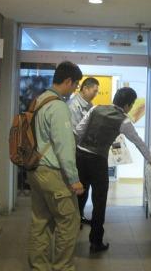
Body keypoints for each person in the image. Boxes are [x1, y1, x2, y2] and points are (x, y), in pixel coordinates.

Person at [75, 87, 151, 253]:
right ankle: (95, 242)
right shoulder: (124, 121)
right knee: (99, 202)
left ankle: (69, 238)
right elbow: (139, 142)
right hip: (98, 161)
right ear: (128, 105)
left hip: (80, 157)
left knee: (78, 197)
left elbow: (78, 131)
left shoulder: (95, 108)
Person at [27, 61, 84, 271]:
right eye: (75, 85)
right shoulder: (58, 106)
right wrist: (74, 179)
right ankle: (62, 267)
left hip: (35, 171)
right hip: (53, 173)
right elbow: (64, 147)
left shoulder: (39, 100)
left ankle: (38, 267)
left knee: (40, 222)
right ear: (68, 81)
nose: (74, 89)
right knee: (69, 222)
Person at [68, 77, 99, 225]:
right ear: (85, 88)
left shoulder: (89, 105)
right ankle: (75, 219)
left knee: (85, 188)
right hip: (76, 153)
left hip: (84, 153)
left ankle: (79, 216)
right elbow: (75, 133)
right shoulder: (74, 106)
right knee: (79, 188)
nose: (95, 94)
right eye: (94, 91)